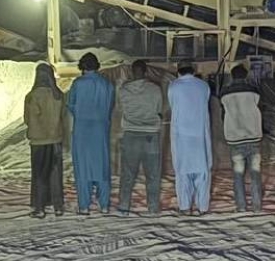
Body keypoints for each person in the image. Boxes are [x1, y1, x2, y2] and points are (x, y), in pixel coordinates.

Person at [66, 52, 115, 214]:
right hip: (101, 131)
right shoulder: (107, 84)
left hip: (82, 132)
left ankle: (84, 205)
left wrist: (81, 114)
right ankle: (104, 204)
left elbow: (71, 105)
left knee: (83, 168)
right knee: (102, 167)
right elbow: (110, 106)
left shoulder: (77, 84)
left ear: (82, 66)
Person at [116, 59, 164, 217]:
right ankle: (153, 207)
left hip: (130, 134)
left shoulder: (124, 90)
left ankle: (124, 206)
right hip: (151, 135)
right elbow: (158, 109)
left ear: (132, 72)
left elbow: (121, 108)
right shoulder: (155, 89)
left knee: (128, 174)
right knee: (153, 175)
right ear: (145, 71)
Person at [167, 60, 213, 216]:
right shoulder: (203, 86)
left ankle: (185, 206)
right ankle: (203, 207)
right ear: (193, 71)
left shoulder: (173, 86)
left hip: (181, 136)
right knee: (203, 171)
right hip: (201, 134)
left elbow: (172, 105)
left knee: (182, 171)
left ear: (178, 71)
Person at [220, 64, 263, 213]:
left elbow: (223, 113)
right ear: (246, 76)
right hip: (253, 137)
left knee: (238, 175)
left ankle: (241, 206)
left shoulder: (225, 93)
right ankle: (257, 206)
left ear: (232, 76)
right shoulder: (254, 91)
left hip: (235, 138)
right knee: (255, 173)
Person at [25, 63, 66, 218]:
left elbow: (27, 119)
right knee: (55, 174)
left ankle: (40, 207)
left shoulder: (32, 96)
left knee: (40, 175)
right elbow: (63, 116)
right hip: (56, 140)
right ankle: (58, 206)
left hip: (38, 142)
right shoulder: (58, 95)